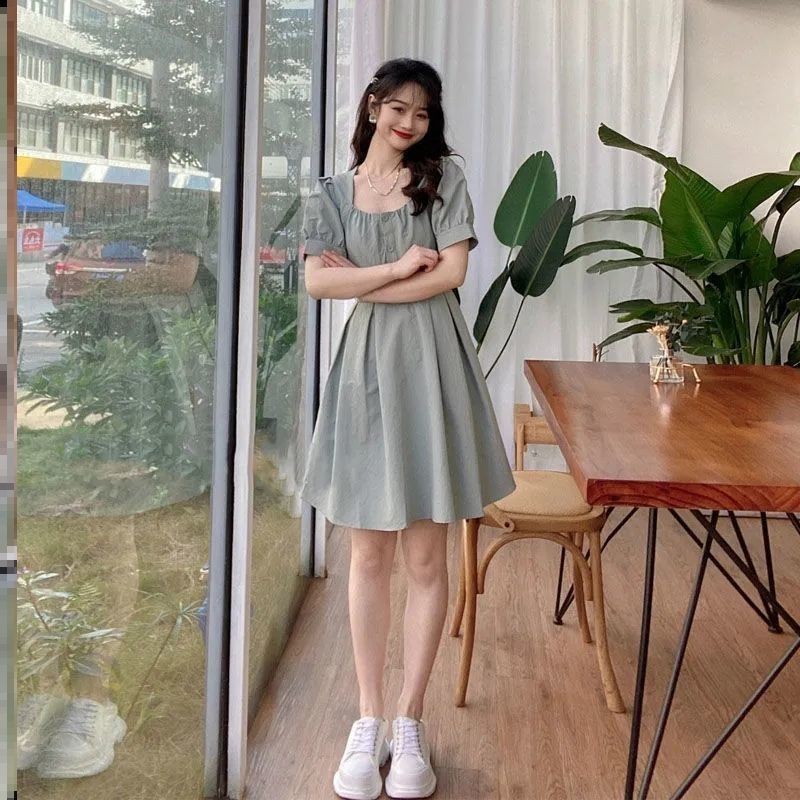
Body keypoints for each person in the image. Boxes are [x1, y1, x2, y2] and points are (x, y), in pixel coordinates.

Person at [299, 57, 516, 800]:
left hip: (434, 368)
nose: (409, 123)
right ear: (372, 107)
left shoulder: (442, 179)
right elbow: (317, 282)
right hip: (367, 373)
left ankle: (410, 719)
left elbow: (450, 275)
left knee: (426, 557)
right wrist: (394, 270)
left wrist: (361, 279)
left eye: (422, 113)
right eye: (398, 108)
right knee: (368, 557)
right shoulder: (329, 192)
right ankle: (368, 719)